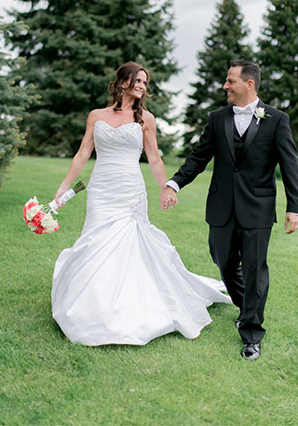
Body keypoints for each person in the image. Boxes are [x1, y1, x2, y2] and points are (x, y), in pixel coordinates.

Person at [50, 62, 231, 346]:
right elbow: (83, 153)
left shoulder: (146, 119)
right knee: (96, 241)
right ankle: (93, 303)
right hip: (101, 189)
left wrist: (167, 188)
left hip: (129, 189)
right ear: (122, 82)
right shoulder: (96, 116)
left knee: (127, 243)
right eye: (138, 80)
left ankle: (127, 304)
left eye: (145, 83)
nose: (142, 86)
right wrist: (62, 190)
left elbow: (155, 158)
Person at [160, 60, 298, 360]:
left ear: (249, 84)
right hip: (222, 206)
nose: (225, 86)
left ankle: (251, 331)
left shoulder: (276, 119)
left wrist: (295, 207)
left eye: (230, 81)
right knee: (223, 262)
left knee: (254, 269)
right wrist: (174, 183)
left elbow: (290, 164)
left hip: (258, 208)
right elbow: (198, 158)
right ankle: (246, 305)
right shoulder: (217, 118)